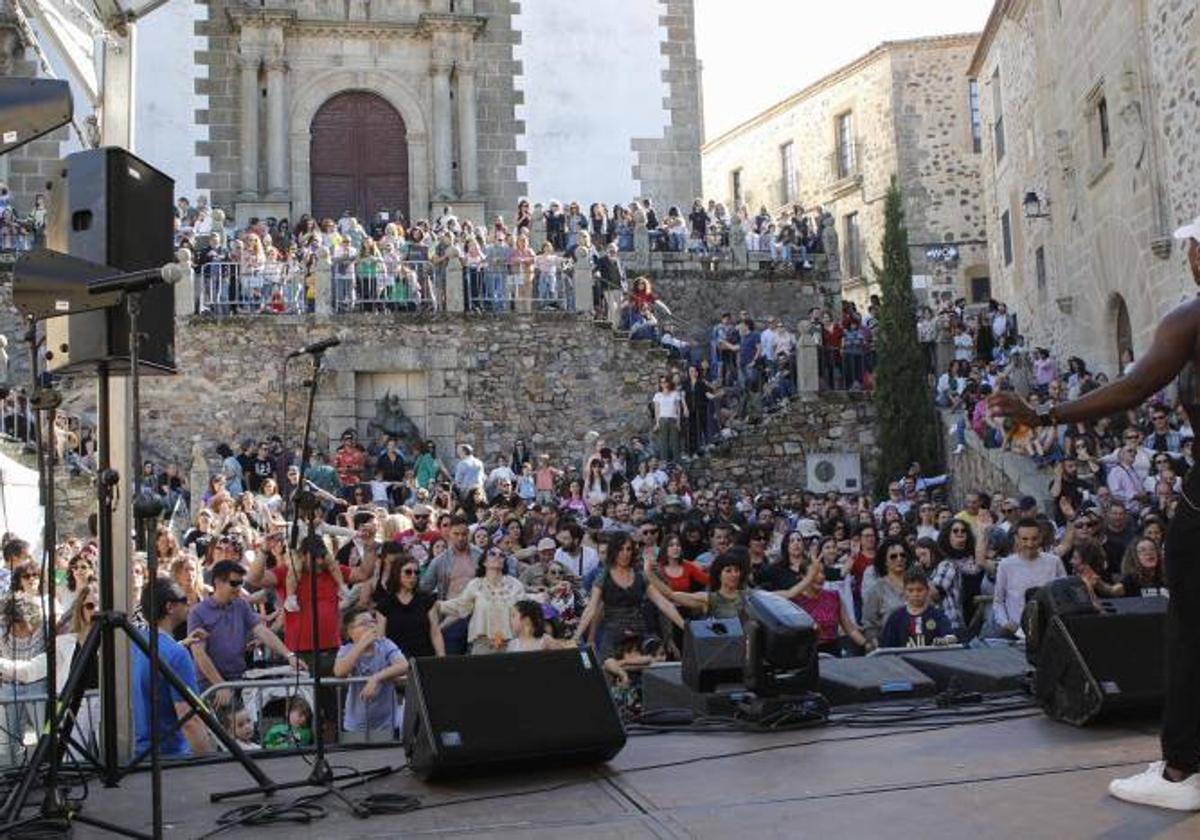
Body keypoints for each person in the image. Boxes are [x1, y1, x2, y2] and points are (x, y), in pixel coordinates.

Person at [990, 213, 1200, 810]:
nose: (1188, 258)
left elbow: (1132, 389)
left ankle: (1183, 770)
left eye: (1191, 248)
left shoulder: (1190, 318)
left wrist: (1045, 416)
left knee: (1190, 628)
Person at [187, 559, 305, 694]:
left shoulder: (241, 605)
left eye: (240, 583)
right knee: (239, 715)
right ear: (218, 582)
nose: (238, 588)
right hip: (211, 684)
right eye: (234, 583)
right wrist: (220, 685)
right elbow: (199, 654)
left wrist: (289, 655)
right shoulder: (197, 613)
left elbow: (262, 631)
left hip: (239, 679)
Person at [132, 578, 210, 758]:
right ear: (169, 607)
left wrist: (180, 644)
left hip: (141, 757)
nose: (189, 602)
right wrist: (208, 764)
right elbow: (189, 719)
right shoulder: (177, 654)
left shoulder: (137, 643)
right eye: (184, 600)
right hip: (172, 759)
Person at [333, 606, 408, 741]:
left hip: (388, 723)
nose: (370, 626)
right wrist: (361, 645)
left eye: (372, 622)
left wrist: (376, 678)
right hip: (356, 725)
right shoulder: (346, 650)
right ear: (350, 631)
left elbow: (403, 665)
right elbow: (339, 672)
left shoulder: (385, 644)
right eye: (363, 623)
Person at [878, 567, 956, 649]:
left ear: (927, 590)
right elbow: (885, 648)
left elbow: (951, 637)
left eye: (919, 590)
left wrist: (945, 641)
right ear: (904, 592)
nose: (915, 594)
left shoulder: (937, 615)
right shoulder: (896, 618)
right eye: (911, 590)